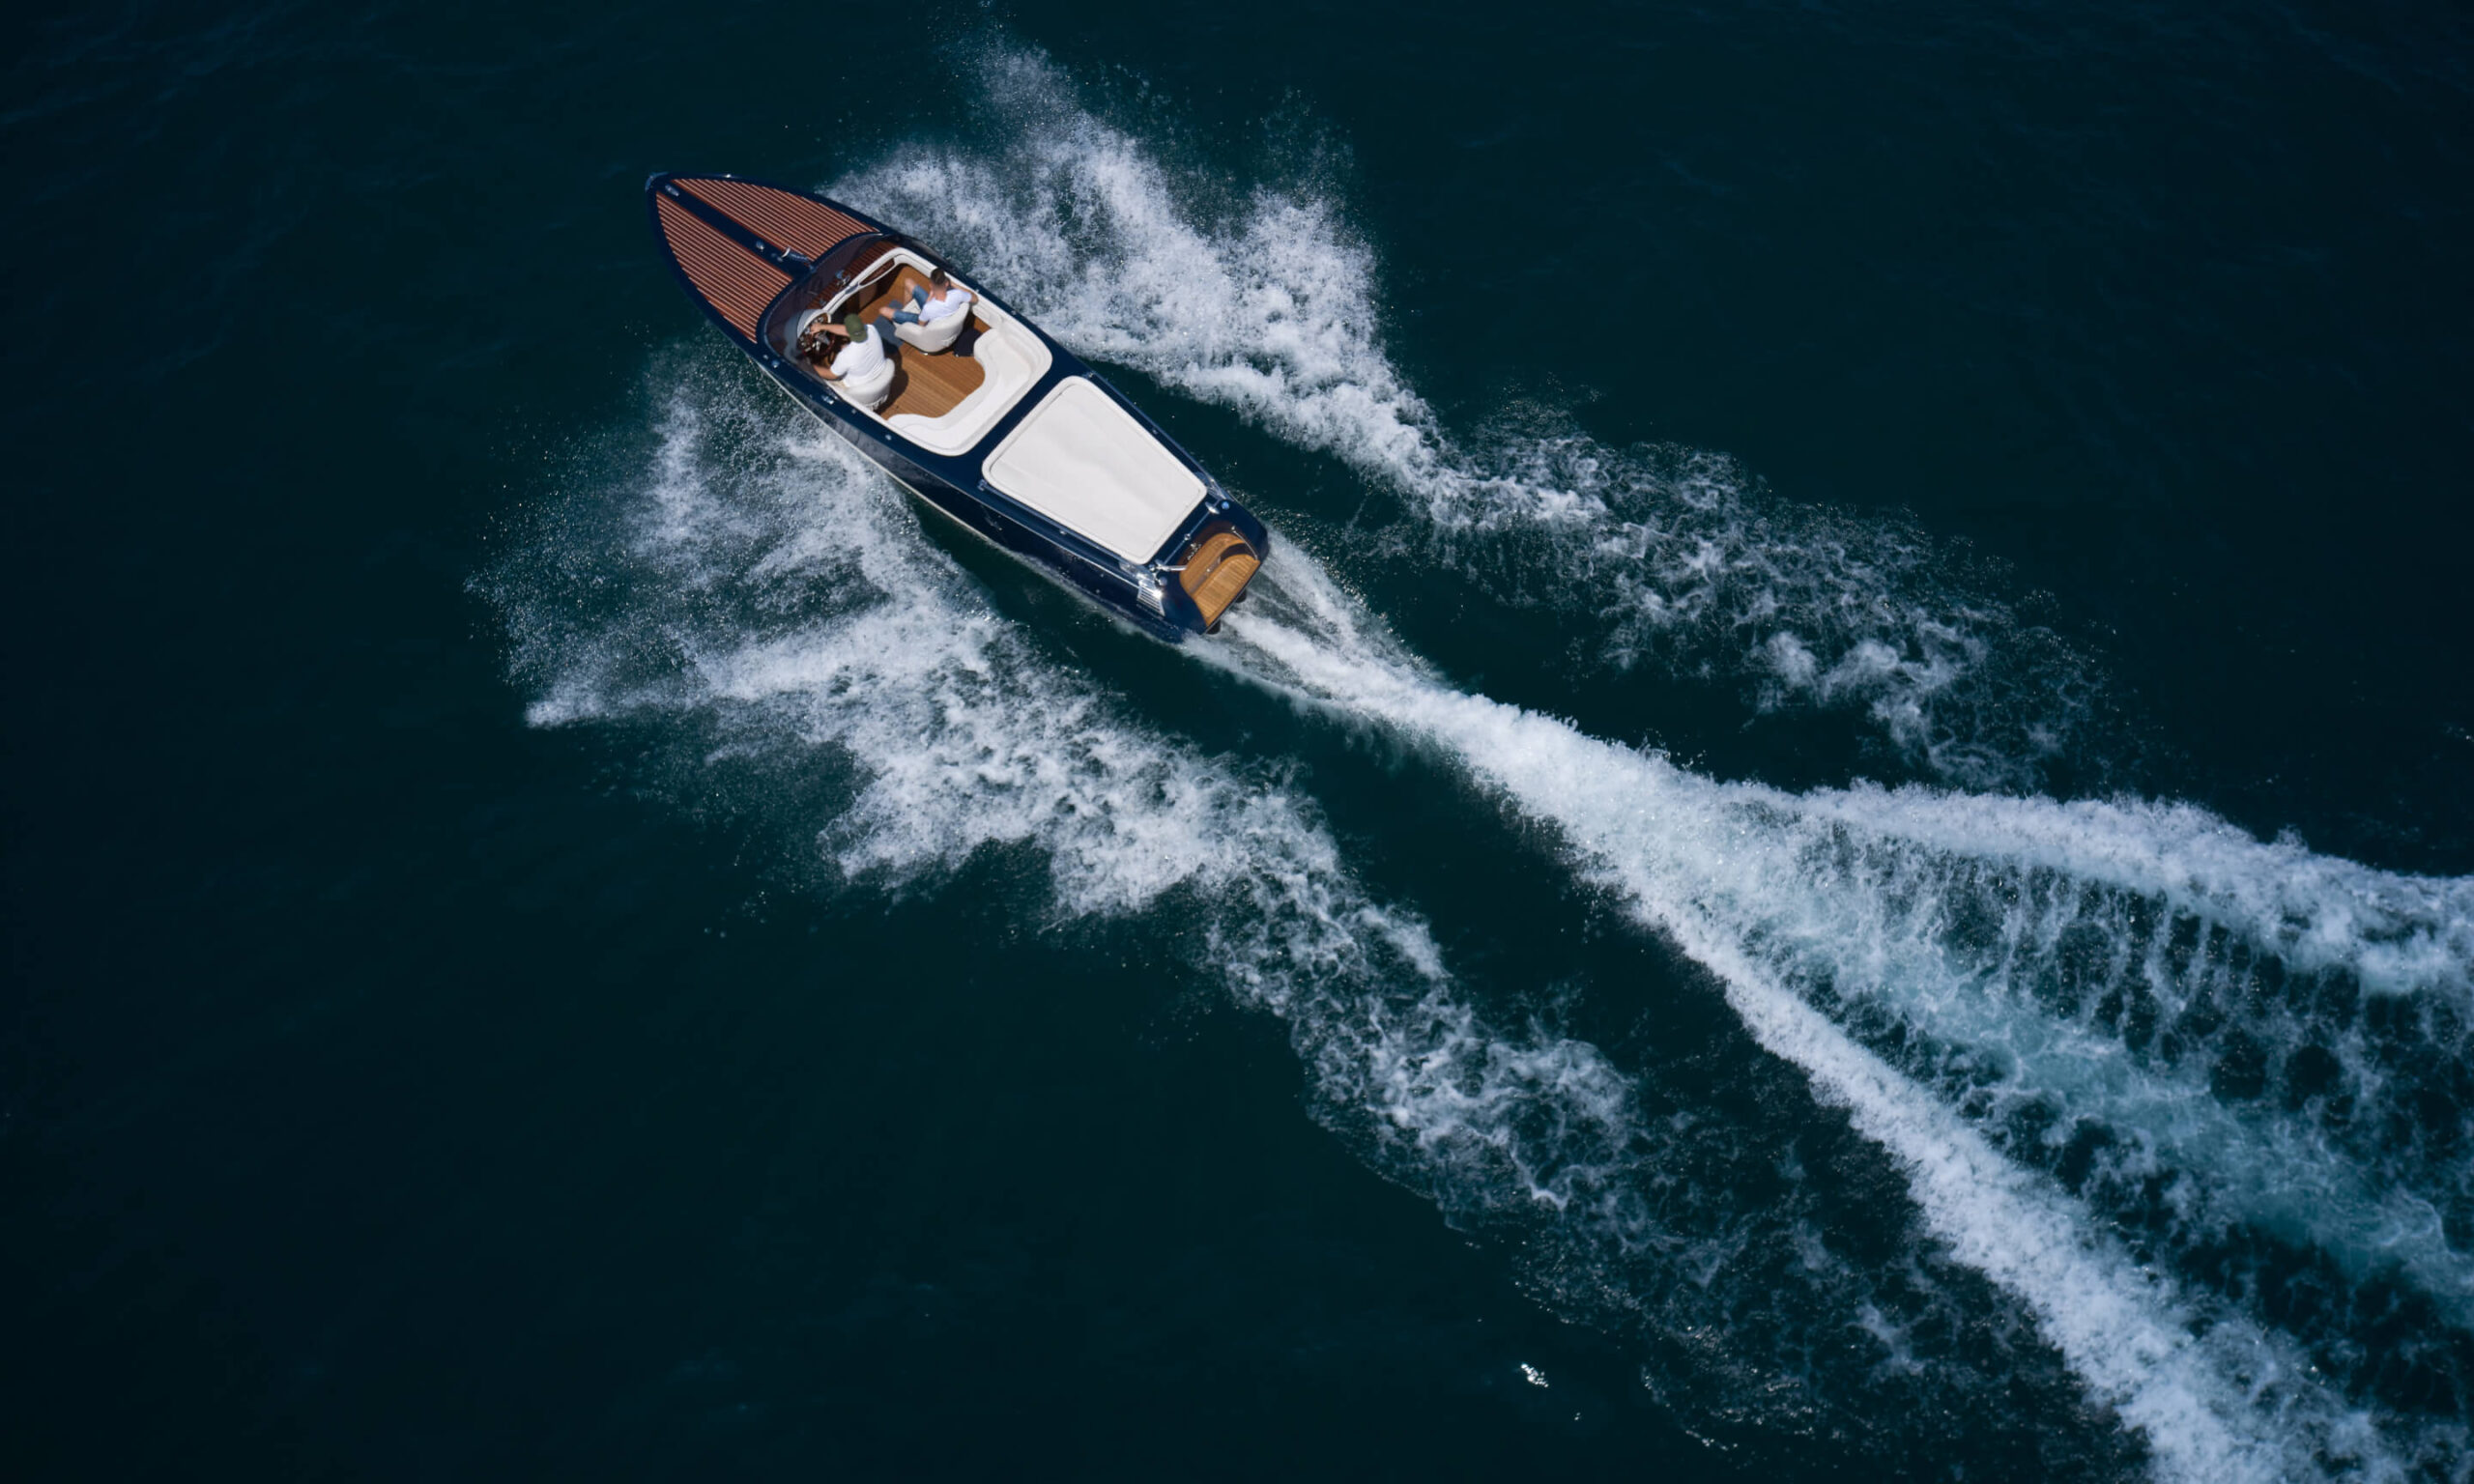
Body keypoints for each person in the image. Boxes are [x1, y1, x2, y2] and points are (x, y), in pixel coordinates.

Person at [887, 268, 973, 334]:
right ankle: (904, 309)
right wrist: (953, 284)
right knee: (908, 282)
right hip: (940, 314)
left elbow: (921, 325)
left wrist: (928, 301)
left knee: (886, 311)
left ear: (931, 285)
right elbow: (974, 298)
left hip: (927, 322)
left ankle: (901, 321)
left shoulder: (928, 308)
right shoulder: (958, 294)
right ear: (946, 283)